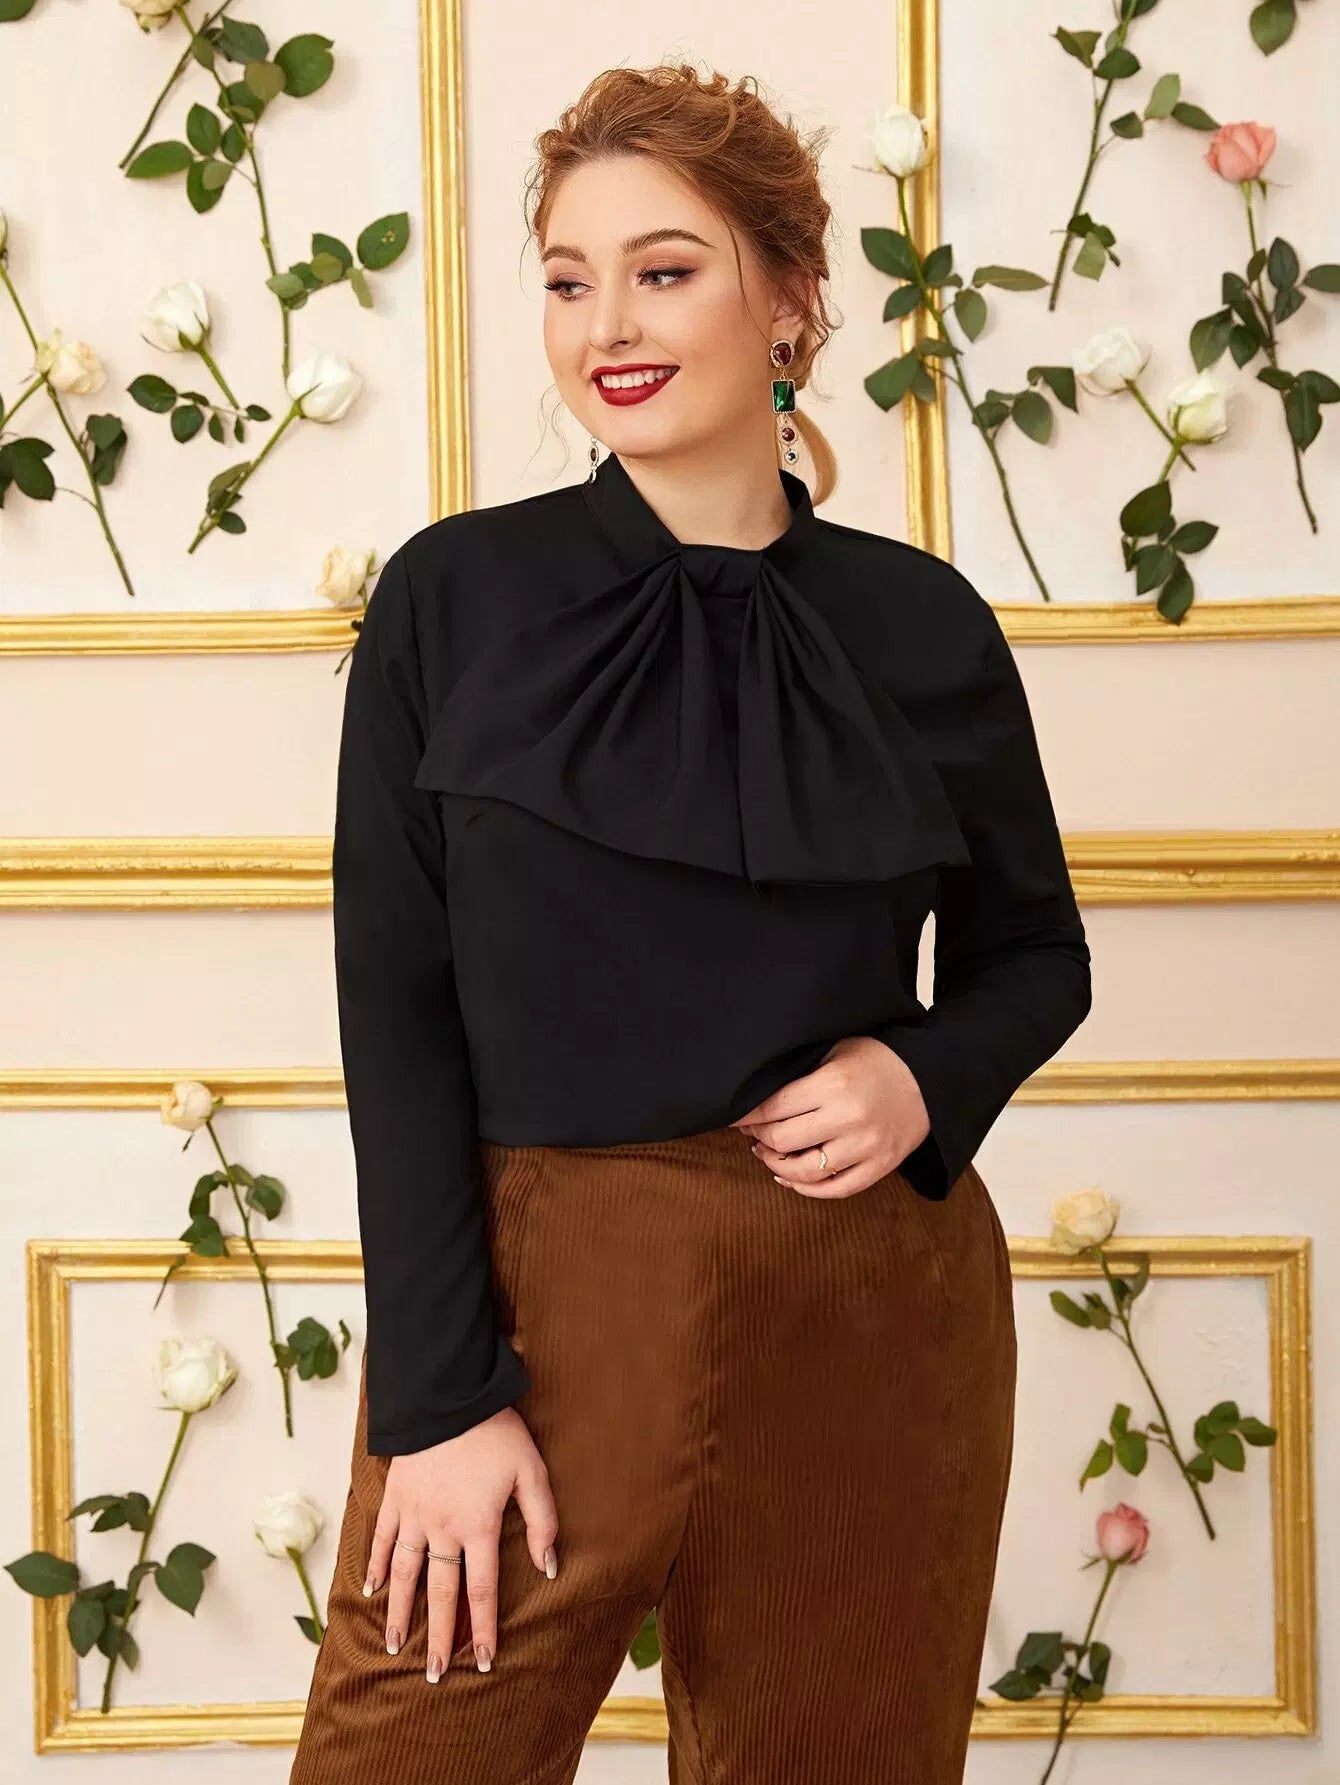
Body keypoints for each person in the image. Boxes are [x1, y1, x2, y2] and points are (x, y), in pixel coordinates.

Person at [290, 61, 1091, 1785]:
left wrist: (918, 1074)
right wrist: (438, 1396)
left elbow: (1038, 956)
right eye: (568, 280)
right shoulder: (454, 597)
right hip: (543, 1302)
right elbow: (395, 1009)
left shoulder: (924, 624)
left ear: (788, 298)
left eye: (664, 270)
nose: (608, 326)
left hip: (865, 1302)